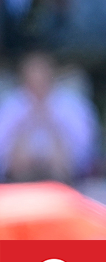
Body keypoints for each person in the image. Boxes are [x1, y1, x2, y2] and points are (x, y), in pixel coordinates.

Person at [0, 50, 98, 183]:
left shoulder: (71, 103)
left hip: (62, 168)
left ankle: (58, 187)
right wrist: (27, 124)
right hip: (19, 169)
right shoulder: (12, 104)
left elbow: (85, 146)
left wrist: (51, 124)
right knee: (20, 148)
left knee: (59, 149)